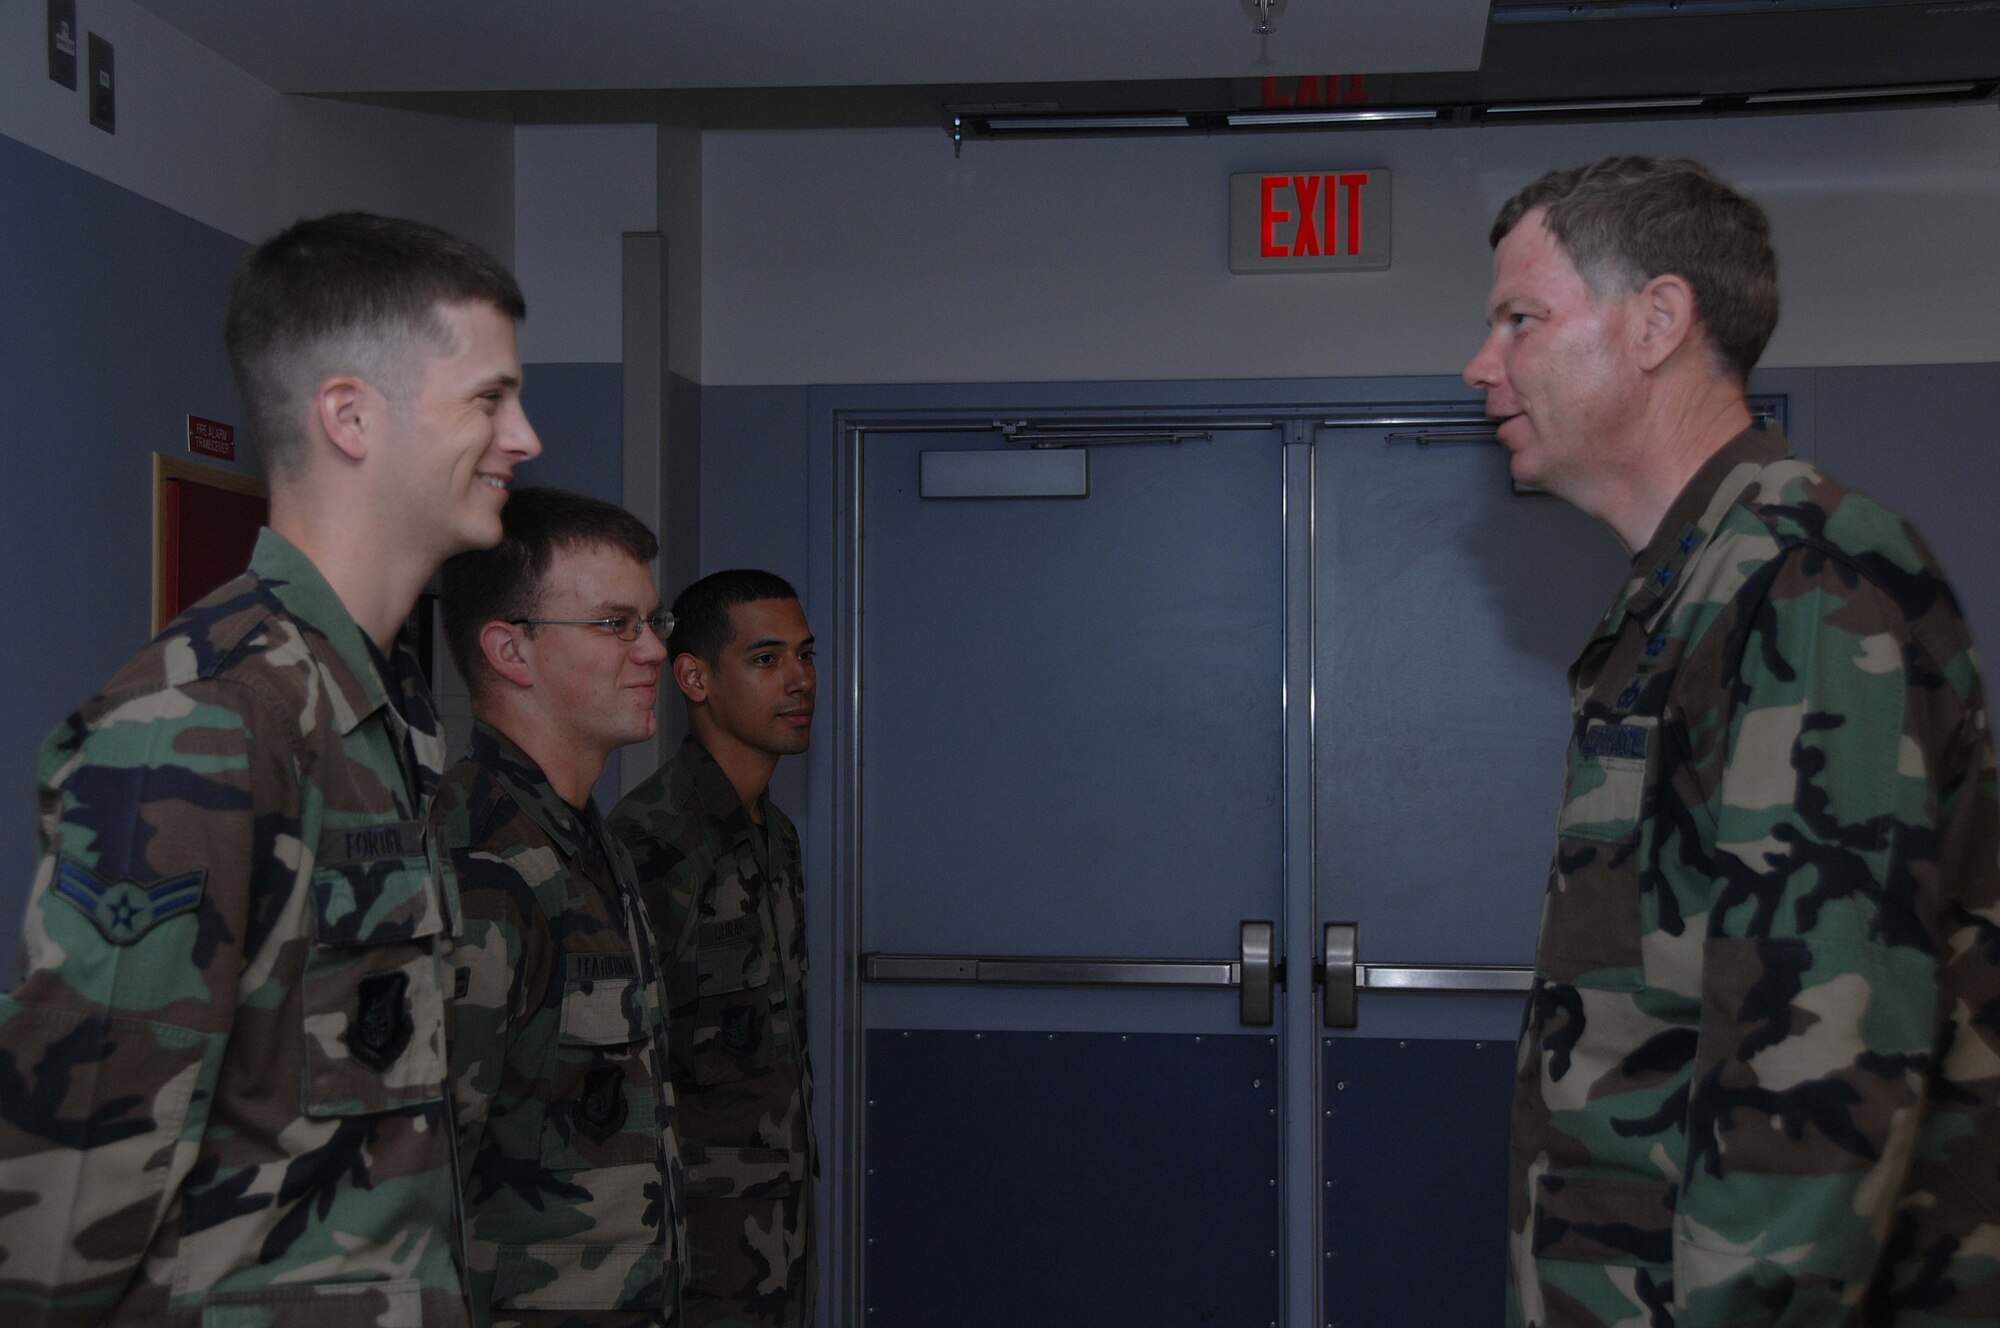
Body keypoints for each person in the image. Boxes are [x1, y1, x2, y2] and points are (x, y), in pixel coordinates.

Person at [1464, 154, 2000, 1326]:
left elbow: (1815, 1071)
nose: (1479, 364)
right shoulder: (1694, 584)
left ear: (1656, 321)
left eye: (1520, 318)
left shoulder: (1805, 579)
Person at [0, 212, 540, 1324]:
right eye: (490, 398)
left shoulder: (378, 708)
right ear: (349, 415)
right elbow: (74, 1191)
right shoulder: (200, 720)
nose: (524, 436)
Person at [432, 486, 686, 1326]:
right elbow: (418, 1194)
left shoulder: (585, 840)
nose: (652, 651)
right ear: (511, 649)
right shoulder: (479, 868)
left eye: (655, 622)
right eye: (616, 625)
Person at [609, 570, 818, 1328]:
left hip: (775, 1241)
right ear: (694, 677)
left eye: (805, 654)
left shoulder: (775, 836)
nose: (799, 681)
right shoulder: (652, 843)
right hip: (687, 1261)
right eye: (766, 660)